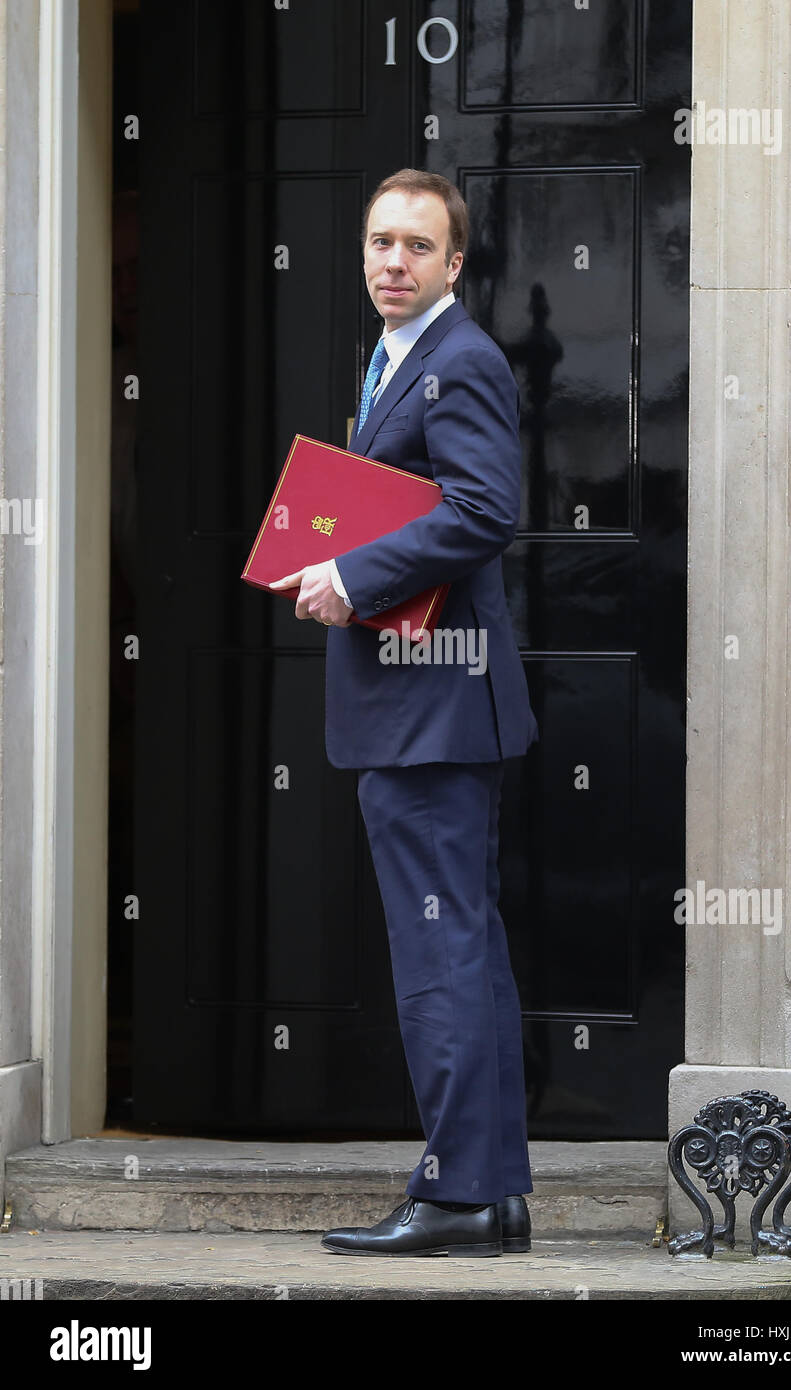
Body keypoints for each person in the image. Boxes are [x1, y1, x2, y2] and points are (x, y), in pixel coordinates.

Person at [270, 169, 538, 1256]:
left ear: (453, 264)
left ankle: (460, 1192)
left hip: (431, 709)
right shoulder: (393, 357)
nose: (392, 262)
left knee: (440, 956)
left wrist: (354, 575)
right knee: (460, 948)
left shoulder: (458, 360)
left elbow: (483, 510)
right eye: (380, 242)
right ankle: (491, 1192)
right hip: (417, 704)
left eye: (417, 247)